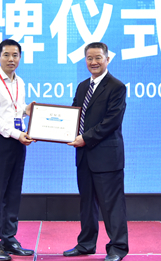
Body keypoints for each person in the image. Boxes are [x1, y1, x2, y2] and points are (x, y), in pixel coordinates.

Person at [64, 42, 129, 261]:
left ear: (107, 59)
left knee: (112, 205)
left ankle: (117, 247)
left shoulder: (116, 87)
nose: (94, 62)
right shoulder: (83, 86)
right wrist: (62, 130)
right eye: (89, 58)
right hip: (84, 156)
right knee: (87, 203)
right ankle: (86, 244)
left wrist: (85, 138)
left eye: (98, 58)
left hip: (107, 157)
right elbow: (73, 115)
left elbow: (111, 121)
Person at [0, 39, 36, 261]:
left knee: (13, 193)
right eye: (6, 55)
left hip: (17, 142)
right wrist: (16, 134)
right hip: (0, 142)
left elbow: (14, 111)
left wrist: (27, 111)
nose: (11, 59)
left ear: (20, 57)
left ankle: (9, 238)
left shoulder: (19, 81)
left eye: (15, 55)